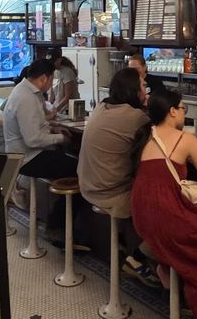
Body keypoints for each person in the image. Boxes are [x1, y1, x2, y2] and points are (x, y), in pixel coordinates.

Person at [132, 89, 197, 319]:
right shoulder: (185, 139)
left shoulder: (148, 135)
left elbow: (172, 155)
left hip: (142, 216)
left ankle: (168, 270)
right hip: (167, 217)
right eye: (182, 109)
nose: (183, 113)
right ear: (172, 112)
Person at [77, 68, 159, 287]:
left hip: (87, 185)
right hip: (110, 194)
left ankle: (121, 245)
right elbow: (162, 143)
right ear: (134, 90)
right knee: (168, 211)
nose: (146, 90)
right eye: (143, 86)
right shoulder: (136, 117)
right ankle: (137, 259)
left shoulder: (102, 107)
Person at [3, 58, 82, 240]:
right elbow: (32, 139)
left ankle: (59, 222)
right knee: (79, 171)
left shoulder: (25, 92)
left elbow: (36, 124)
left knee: (68, 163)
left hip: (27, 153)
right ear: (44, 78)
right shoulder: (26, 98)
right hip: (28, 157)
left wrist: (52, 127)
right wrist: (60, 138)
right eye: (51, 79)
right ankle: (57, 226)